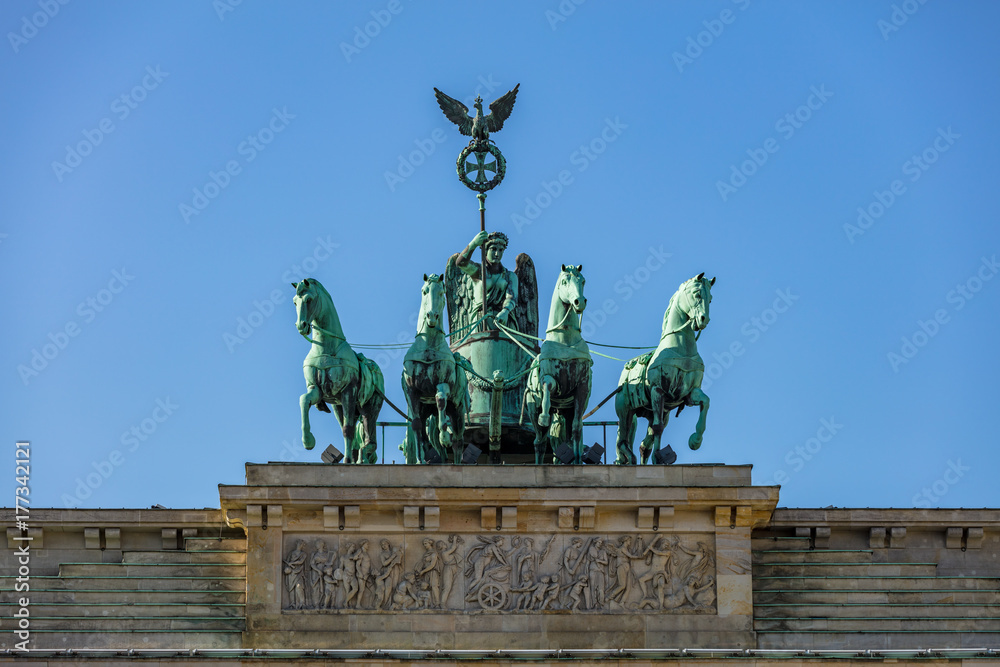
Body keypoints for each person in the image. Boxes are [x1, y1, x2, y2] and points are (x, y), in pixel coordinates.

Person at [455, 230, 519, 330]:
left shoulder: (509, 276)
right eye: (493, 249)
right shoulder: (478, 272)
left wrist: (505, 311)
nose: (497, 254)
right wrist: (474, 243)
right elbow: (461, 263)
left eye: (501, 250)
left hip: (503, 321)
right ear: (485, 251)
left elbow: (511, 297)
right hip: (480, 321)